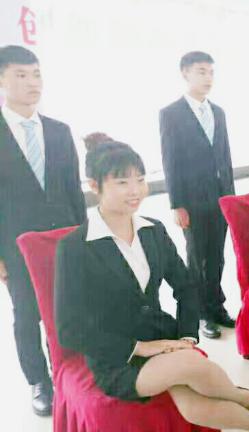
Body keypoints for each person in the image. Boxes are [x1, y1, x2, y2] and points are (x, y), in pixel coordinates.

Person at [55, 136, 249, 432]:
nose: (135, 190)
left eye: (140, 180)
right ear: (95, 186)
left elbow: (186, 286)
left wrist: (187, 336)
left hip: (162, 336)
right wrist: (139, 348)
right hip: (118, 358)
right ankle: (242, 396)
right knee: (190, 366)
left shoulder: (153, 230)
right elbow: (69, 330)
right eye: (122, 182)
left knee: (193, 408)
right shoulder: (74, 247)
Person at [0, 45, 86, 416]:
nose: (32, 82)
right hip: (16, 245)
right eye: (21, 75)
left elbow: (73, 191)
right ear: (2, 80)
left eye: (36, 74)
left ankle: (68, 368)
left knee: (67, 306)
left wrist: (85, 237)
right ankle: (38, 380)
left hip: (64, 240)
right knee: (27, 313)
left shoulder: (59, 131)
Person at [159, 51, 235, 339]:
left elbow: (225, 157)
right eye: (201, 71)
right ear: (185, 73)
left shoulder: (219, 112)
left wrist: (231, 199)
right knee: (197, 259)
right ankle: (202, 314)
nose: (208, 78)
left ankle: (217, 306)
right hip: (191, 201)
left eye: (211, 72)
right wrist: (176, 204)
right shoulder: (171, 114)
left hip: (220, 198)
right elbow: (170, 161)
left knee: (217, 257)